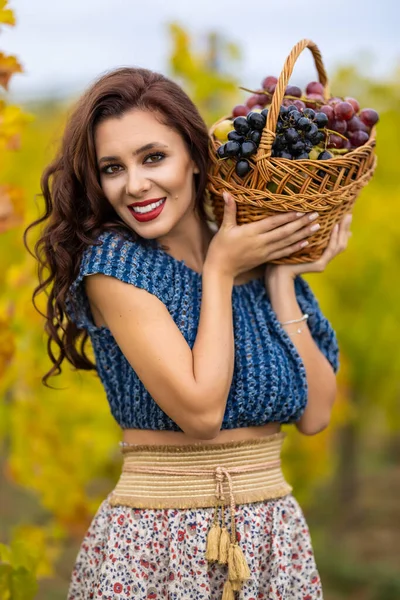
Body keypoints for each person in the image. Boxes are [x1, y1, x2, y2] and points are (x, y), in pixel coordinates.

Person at [24, 66, 351, 600]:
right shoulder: (115, 267)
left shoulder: (251, 255)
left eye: (154, 157)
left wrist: (282, 277)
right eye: (113, 168)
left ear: (197, 158)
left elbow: (315, 414)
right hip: (160, 541)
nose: (134, 185)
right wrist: (220, 273)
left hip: (271, 537)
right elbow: (201, 414)